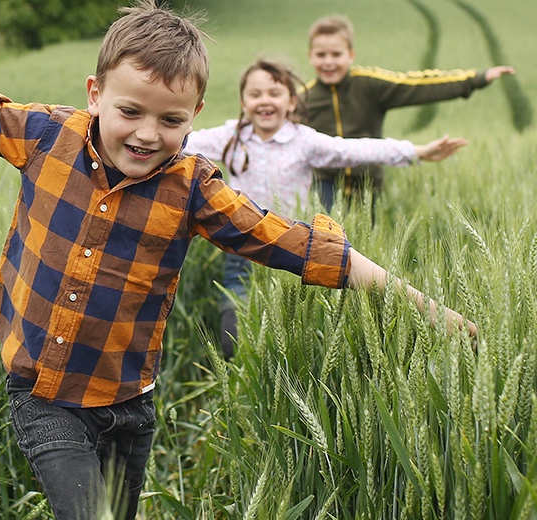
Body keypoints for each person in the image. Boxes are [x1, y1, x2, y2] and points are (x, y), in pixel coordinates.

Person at [0, 2, 476, 518]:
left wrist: (427, 305)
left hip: (130, 403)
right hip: (46, 395)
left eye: (172, 121)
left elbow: (299, 246)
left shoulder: (195, 189)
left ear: (197, 113)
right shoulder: (43, 134)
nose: (148, 134)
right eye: (130, 111)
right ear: (95, 93)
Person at [184, 58, 467, 358]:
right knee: (233, 337)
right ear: (243, 101)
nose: (264, 101)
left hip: (290, 249)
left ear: (292, 102)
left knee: (291, 332)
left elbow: (354, 149)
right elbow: (184, 141)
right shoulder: (232, 136)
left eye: (274, 93)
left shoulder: (304, 141)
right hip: (240, 250)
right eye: (255, 94)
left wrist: (415, 151)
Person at [304, 14, 516, 212]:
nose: (328, 62)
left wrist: (474, 80)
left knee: (364, 244)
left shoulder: (368, 85)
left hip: (369, 185)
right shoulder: (303, 98)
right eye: (321, 55)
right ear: (310, 56)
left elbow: (417, 86)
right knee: (325, 244)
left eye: (336, 54)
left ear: (351, 55)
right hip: (324, 186)